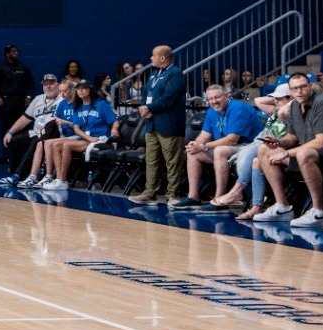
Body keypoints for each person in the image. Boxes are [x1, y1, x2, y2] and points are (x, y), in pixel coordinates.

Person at [250, 72, 323, 227]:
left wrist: (285, 153)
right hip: (314, 154)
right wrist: (278, 142)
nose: (299, 91)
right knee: (264, 150)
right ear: (290, 91)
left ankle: (319, 211)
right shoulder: (295, 106)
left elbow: (322, 142)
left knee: (304, 153)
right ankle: (282, 206)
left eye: (303, 87)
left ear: (310, 86)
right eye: (295, 89)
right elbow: (292, 137)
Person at [184, 84, 265, 208]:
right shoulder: (211, 111)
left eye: (217, 97)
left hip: (249, 146)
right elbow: (205, 135)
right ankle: (193, 197)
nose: (214, 101)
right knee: (193, 153)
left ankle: (219, 199)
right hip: (230, 148)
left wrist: (203, 146)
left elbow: (232, 140)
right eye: (210, 99)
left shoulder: (238, 108)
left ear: (227, 96)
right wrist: (195, 144)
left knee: (220, 151)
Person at [128, 45, 187, 205]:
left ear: (162, 58)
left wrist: (150, 108)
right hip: (151, 123)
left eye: (153, 55)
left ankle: (173, 194)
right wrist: (143, 107)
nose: (151, 58)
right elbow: (146, 92)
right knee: (151, 159)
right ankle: (150, 192)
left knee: (172, 161)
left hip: (169, 124)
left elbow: (170, 98)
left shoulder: (175, 74)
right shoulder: (154, 74)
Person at [43, 82, 115, 189]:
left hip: (101, 139)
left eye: (83, 88)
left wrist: (115, 129)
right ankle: (59, 179)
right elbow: (76, 129)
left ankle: (62, 180)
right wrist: (88, 138)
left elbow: (114, 120)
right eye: (78, 89)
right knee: (55, 145)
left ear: (90, 90)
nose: (80, 91)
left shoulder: (101, 104)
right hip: (87, 138)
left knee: (66, 145)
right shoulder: (78, 107)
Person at [0, 73, 63, 186]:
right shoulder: (38, 99)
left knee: (36, 142)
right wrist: (10, 132)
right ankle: (14, 175)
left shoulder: (62, 100)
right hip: (35, 133)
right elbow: (24, 119)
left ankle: (19, 175)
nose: (48, 87)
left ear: (57, 85)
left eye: (51, 84)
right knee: (14, 141)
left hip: (51, 134)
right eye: (45, 84)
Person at [0, 46, 35, 150]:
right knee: (7, 128)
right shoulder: (0, 68)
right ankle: (9, 155)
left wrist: (28, 96)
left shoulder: (23, 68)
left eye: (16, 51)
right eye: (13, 52)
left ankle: (23, 155)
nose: (16, 53)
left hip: (21, 102)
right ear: (7, 54)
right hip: (7, 103)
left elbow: (31, 83)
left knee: (22, 128)